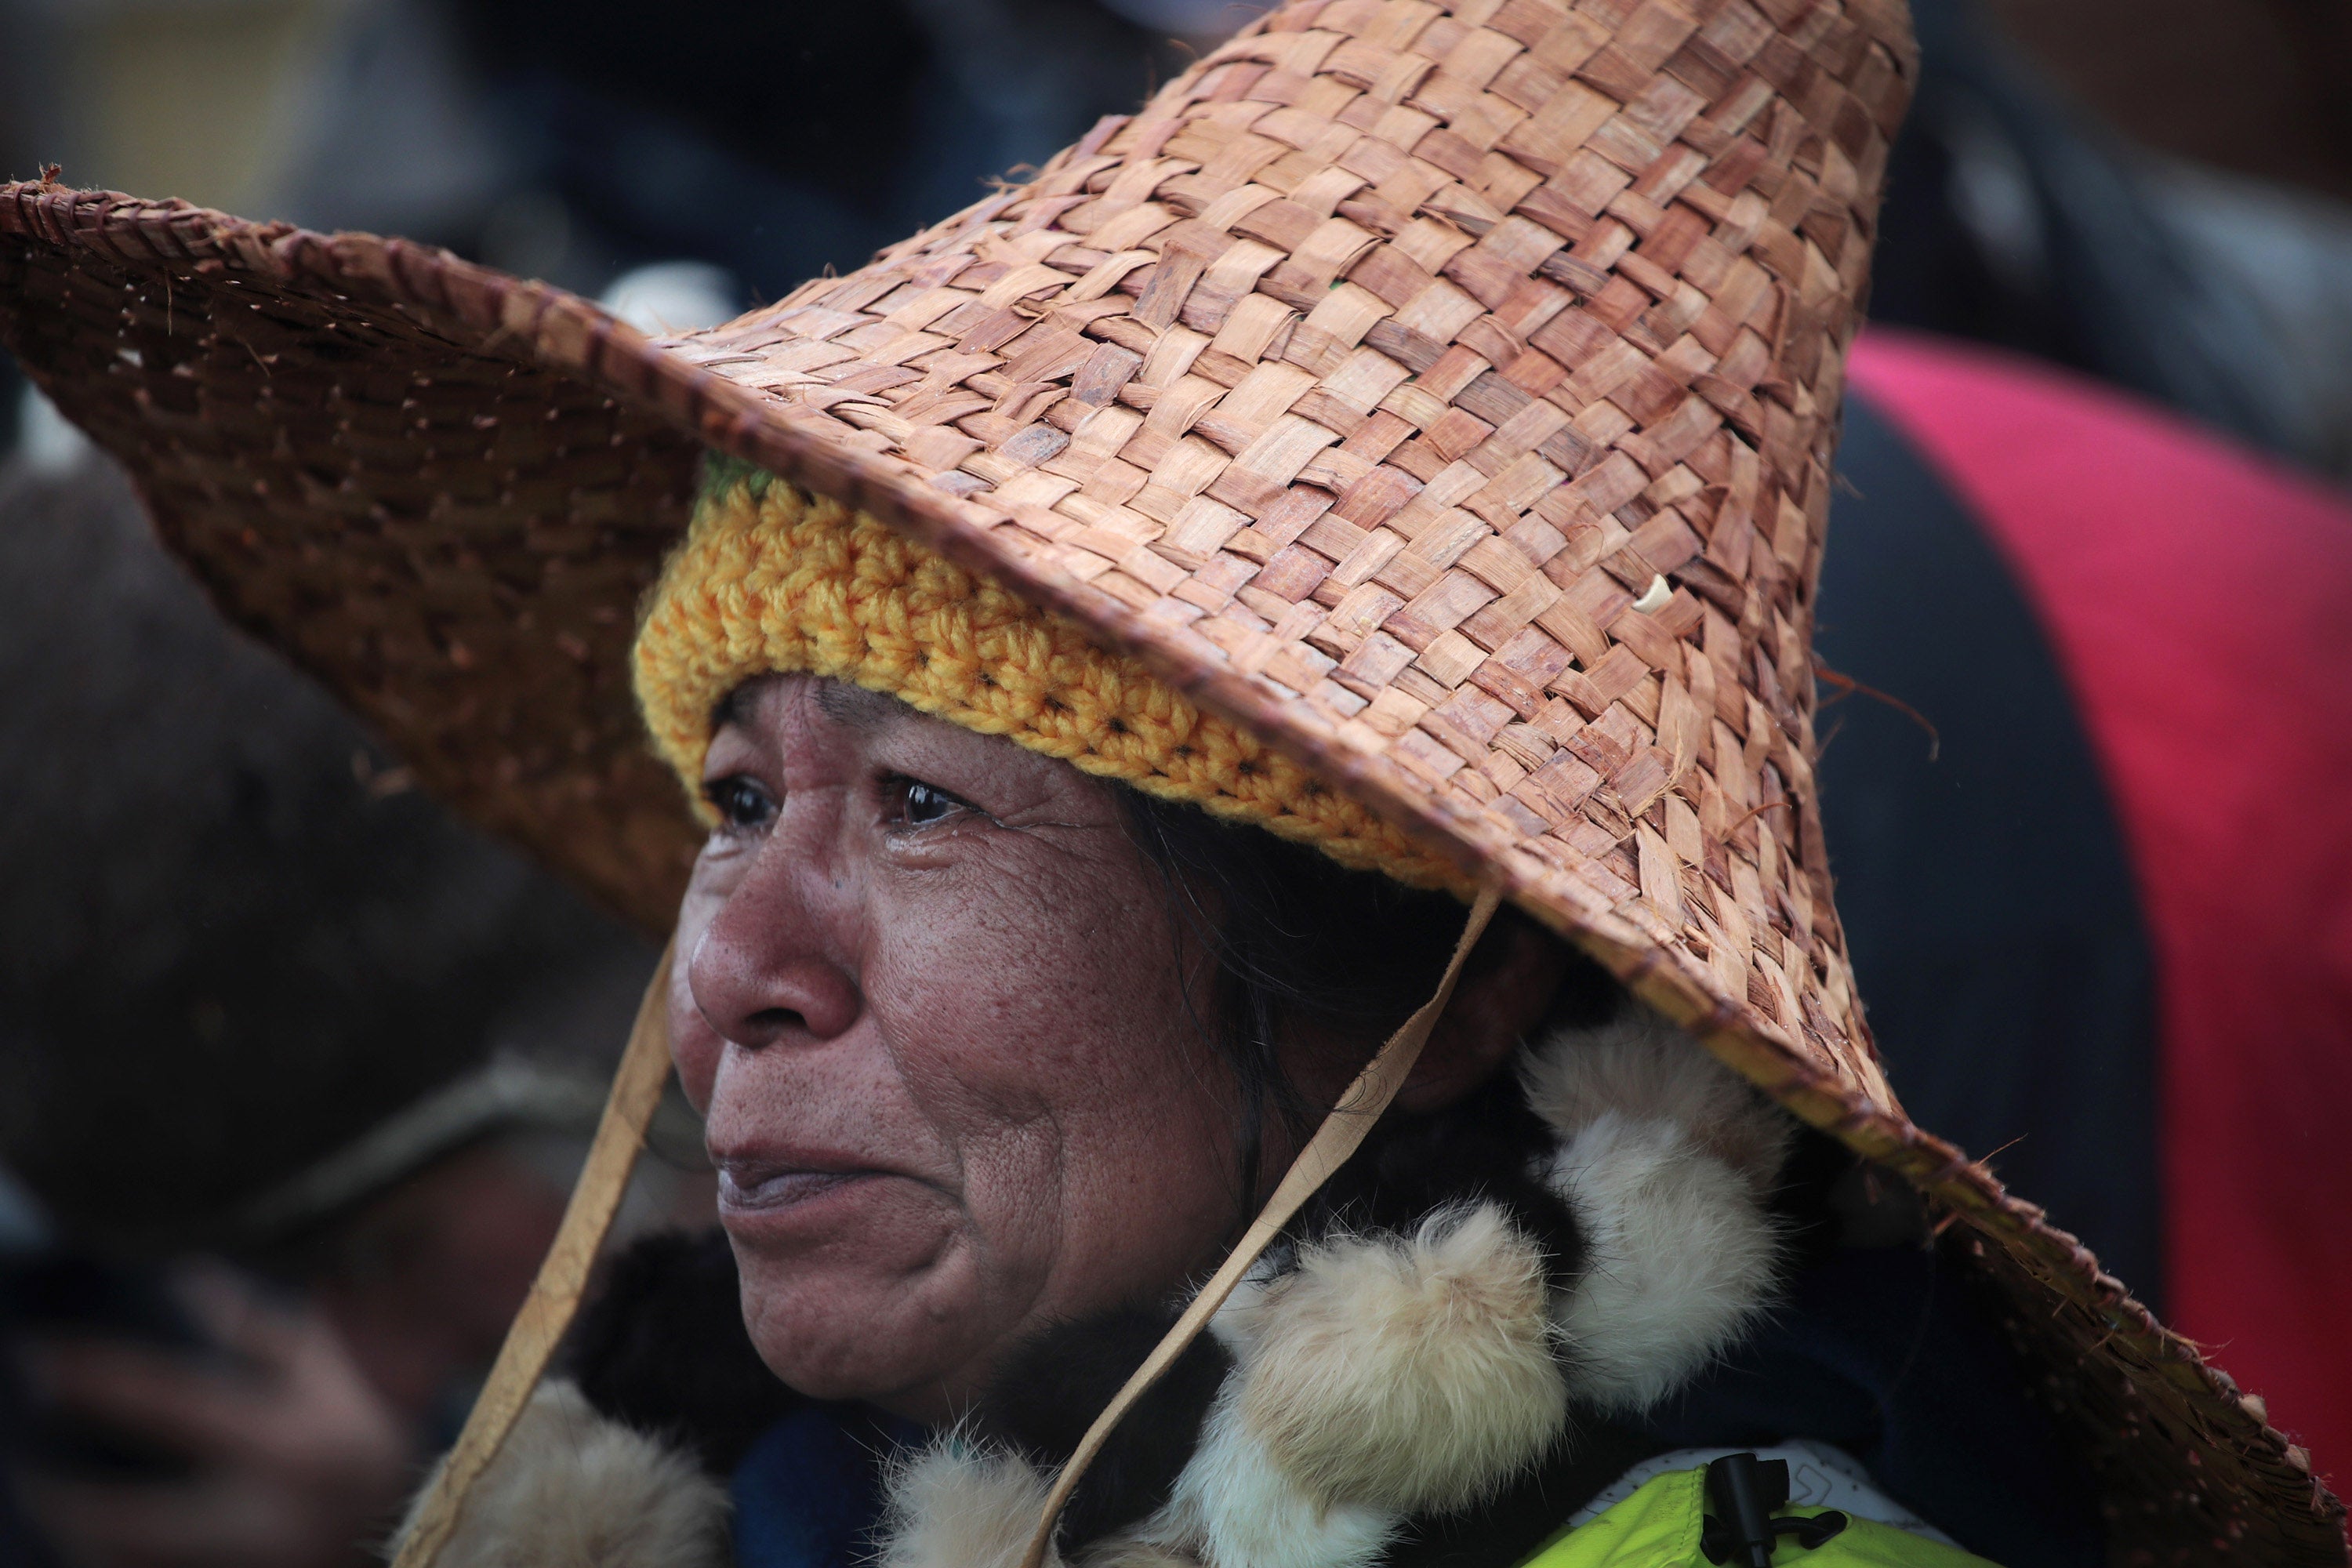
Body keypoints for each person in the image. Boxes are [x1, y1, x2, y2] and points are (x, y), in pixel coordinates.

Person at [1, 3, 2340, 1567]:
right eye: (734, 803)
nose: (727, 977)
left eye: (919, 809)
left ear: (1424, 991)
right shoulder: (938, 1439)